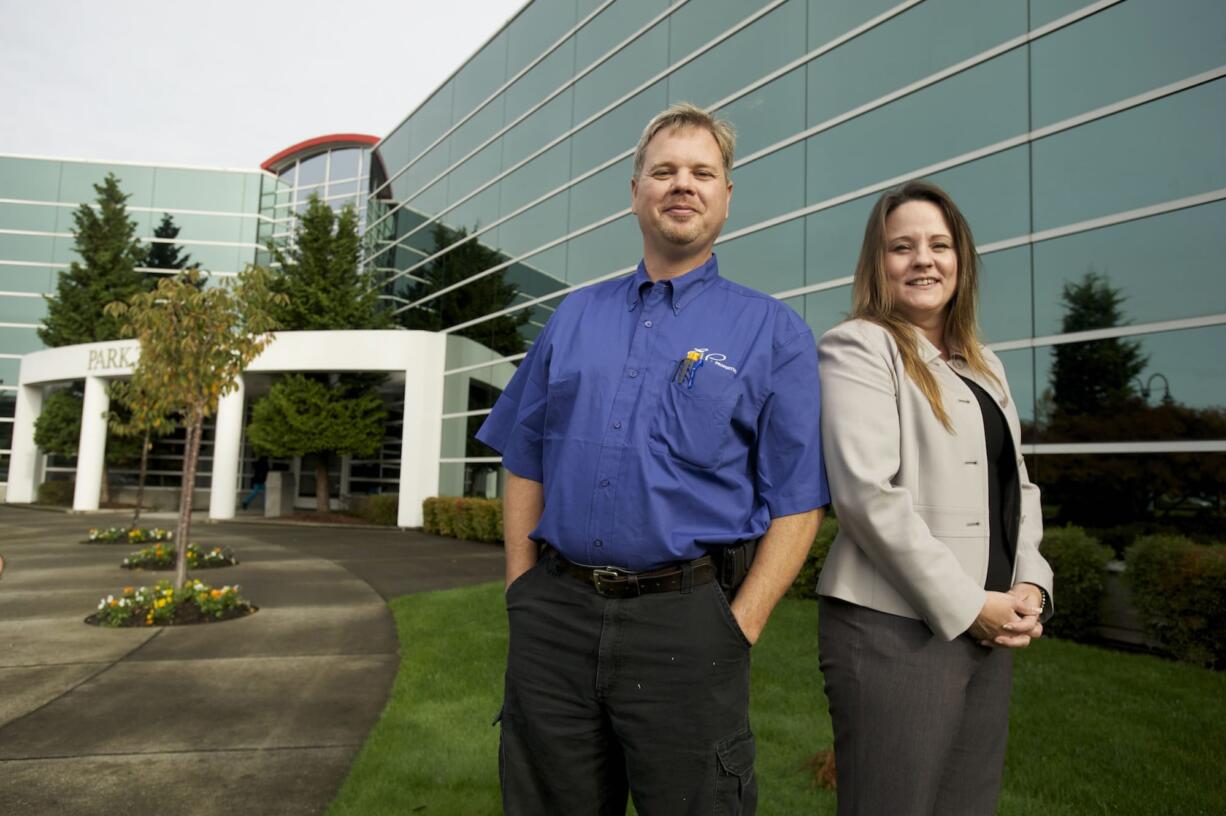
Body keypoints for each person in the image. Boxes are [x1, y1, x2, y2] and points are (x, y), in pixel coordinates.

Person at [476, 103, 829, 816]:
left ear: (727, 195)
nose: (682, 185)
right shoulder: (573, 317)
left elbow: (799, 500)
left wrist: (742, 624)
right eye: (663, 170)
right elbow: (525, 457)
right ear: (635, 190)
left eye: (703, 172)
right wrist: (522, 589)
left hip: (688, 627)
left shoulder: (773, 333)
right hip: (556, 619)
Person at [816, 180, 1054, 815]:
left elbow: (1018, 487)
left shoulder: (987, 365)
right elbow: (867, 494)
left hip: (987, 628)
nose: (923, 258)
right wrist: (969, 603)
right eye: (902, 246)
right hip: (893, 632)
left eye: (939, 244)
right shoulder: (860, 347)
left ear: (961, 261)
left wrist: (1031, 582)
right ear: (878, 264)